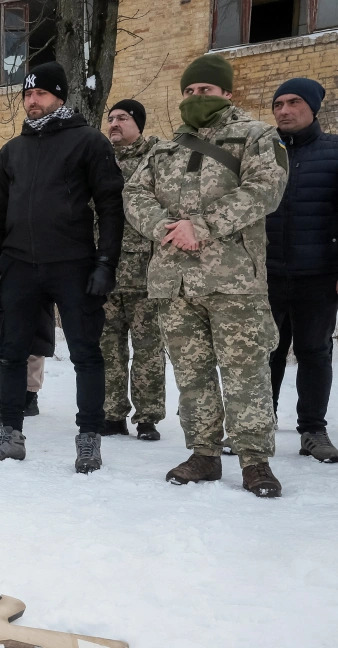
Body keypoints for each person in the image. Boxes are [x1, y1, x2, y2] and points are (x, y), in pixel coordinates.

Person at [124, 54, 288, 496]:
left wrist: (200, 224)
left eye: (207, 91)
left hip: (233, 281)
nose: (196, 98)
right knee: (191, 373)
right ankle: (204, 453)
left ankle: (255, 461)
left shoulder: (255, 137)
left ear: (227, 93)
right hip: (174, 283)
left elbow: (265, 191)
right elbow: (134, 194)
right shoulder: (164, 149)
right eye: (191, 91)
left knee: (245, 371)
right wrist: (165, 228)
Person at [0, 61, 125, 473]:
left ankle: (89, 438)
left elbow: (111, 207)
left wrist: (105, 263)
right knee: (10, 354)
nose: (31, 101)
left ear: (59, 95)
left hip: (73, 263)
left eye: (39, 93)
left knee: (86, 353)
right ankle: (11, 434)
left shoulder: (89, 142)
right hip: (19, 264)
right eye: (26, 94)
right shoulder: (12, 151)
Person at [265, 77, 338, 464]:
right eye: (278, 104)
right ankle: (260, 424)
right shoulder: (263, 152)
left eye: (293, 102)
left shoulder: (334, 151)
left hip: (318, 275)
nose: (284, 110)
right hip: (266, 274)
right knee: (266, 352)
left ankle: (313, 430)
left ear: (313, 108)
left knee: (314, 352)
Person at [101, 99, 166, 441]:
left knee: (148, 350)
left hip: (146, 274)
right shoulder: (99, 161)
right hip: (105, 273)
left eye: (122, 118)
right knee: (108, 348)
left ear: (138, 124)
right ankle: (112, 413)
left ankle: (148, 418)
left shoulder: (157, 160)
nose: (114, 123)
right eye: (110, 118)